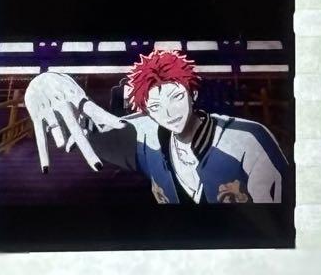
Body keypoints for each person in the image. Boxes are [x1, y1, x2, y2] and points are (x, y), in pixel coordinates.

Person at [23, 49, 287, 204]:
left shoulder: (247, 140)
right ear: (146, 110)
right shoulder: (146, 135)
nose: (169, 113)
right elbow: (88, 126)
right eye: (156, 106)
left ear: (193, 94)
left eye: (177, 97)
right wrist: (45, 83)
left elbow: (280, 226)